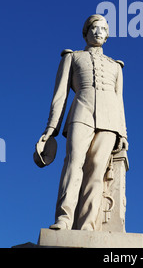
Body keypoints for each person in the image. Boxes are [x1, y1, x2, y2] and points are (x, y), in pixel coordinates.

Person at [36, 14, 128, 231]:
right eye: (94, 28)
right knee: (73, 163)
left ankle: (88, 224)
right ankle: (64, 218)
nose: (98, 32)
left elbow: (119, 99)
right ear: (86, 32)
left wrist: (123, 133)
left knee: (97, 170)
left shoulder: (116, 66)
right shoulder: (72, 57)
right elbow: (60, 96)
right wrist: (51, 129)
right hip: (81, 112)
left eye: (103, 29)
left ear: (107, 36)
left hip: (110, 121)